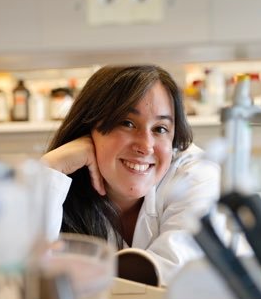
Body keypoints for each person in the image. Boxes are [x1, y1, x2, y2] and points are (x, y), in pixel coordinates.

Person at [41, 65, 221, 285]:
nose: (146, 146)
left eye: (160, 129)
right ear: (89, 128)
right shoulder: (63, 179)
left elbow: (173, 269)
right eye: (127, 123)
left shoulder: (196, 174)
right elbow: (20, 271)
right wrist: (50, 167)